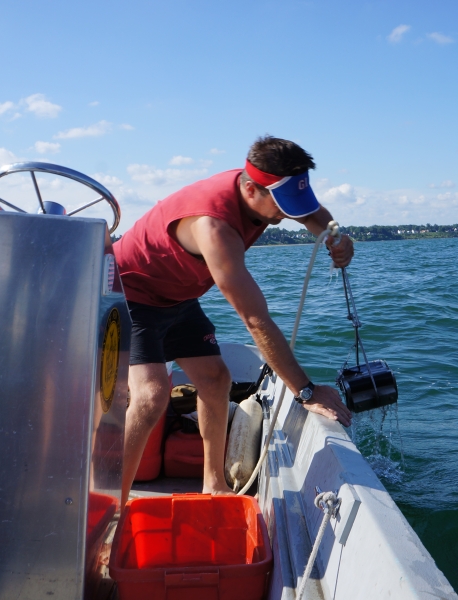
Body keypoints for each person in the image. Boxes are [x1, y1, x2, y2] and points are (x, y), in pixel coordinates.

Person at [113, 135, 354, 502]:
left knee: (216, 379)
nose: (290, 214)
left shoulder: (267, 191)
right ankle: (112, 506)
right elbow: (255, 321)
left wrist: (336, 236)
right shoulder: (215, 228)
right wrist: (305, 391)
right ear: (250, 188)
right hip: (133, 293)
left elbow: (309, 211)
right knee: (150, 398)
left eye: (295, 201)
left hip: (178, 297)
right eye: (282, 204)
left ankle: (214, 484)